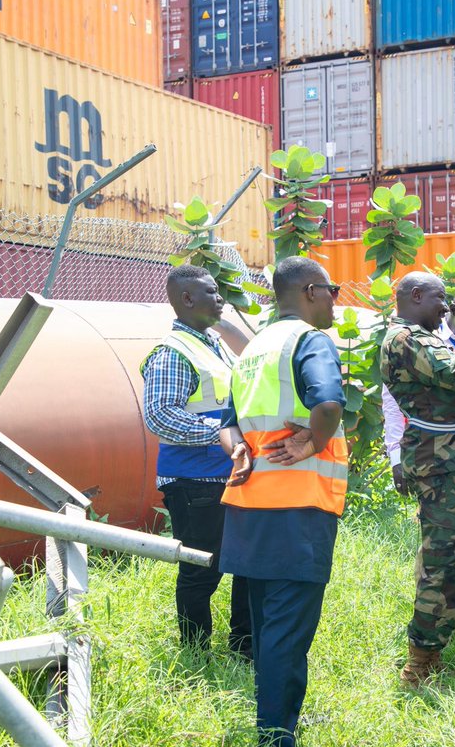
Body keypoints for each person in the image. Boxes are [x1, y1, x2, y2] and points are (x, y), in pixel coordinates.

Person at [219, 256, 347, 747]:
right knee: (286, 634)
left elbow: (227, 423)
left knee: (270, 624)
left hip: (250, 507)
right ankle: (276, 734)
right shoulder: (309, 340)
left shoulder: (254, 348)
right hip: (297, 507)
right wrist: (312, 442)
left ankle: (277, 718)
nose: (336, 298)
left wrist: (240, 454)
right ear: (311, 291)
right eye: (331, 289)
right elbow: (329, 404)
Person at [379, 273, 455, 687]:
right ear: (415, 297)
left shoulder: (416, 337)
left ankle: (435, 651)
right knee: (441, 562)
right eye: (438, 299)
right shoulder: (407, 338)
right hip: (441, 467)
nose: (445, 308)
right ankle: (419, 663)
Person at [140, 264, 251, 659]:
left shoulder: (212, 343)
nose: (220, 298)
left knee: (245, 564)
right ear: (187, 299)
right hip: (194, 481)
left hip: (226, 475)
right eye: (211, 292)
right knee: (202, 569)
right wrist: (219, 433)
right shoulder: (173, 352)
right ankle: (196, 654)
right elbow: (159, 414)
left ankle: (244, 650)